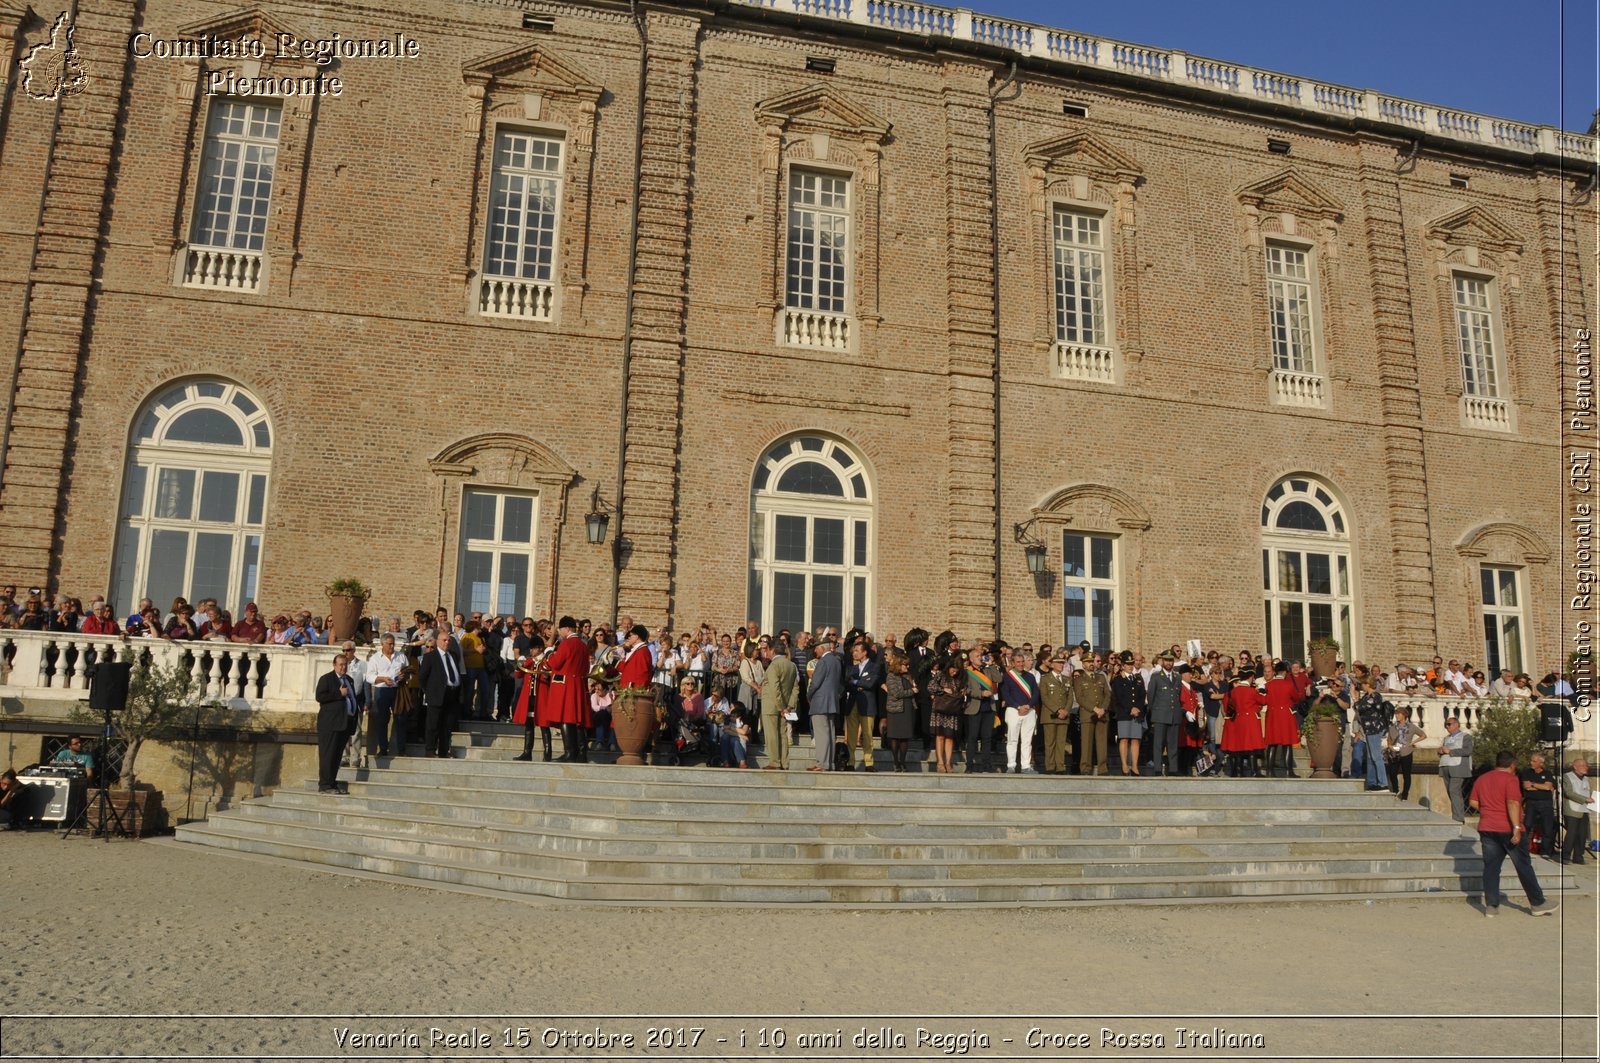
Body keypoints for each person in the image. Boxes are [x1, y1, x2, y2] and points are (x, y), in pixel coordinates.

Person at [1470, 750, 1559, 916]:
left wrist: (1489, 811)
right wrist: (1516, 827)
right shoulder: (1511, 779)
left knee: (1491, 867)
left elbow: (1473, 801)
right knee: (1523, 866)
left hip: (1487, 827)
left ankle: (1491, 906)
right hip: (1508, 828)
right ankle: (1537, 902)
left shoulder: (1482, 778)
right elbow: (1512, 802)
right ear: (1512, 765)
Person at [542, 615, 594, 762]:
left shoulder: (566, 644)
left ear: (566, 628)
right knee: (577, 719)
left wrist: (549, 652)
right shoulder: (583, 645)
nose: (559, 632)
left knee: (566, 718)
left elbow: (556, 663)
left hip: (565, 686)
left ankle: (570, 752)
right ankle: (581, 753)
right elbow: (585, 668)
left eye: (560, 629)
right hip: (578, 683)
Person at [313, 654, 361, 793]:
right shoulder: (327, 679)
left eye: (345, 664)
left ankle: (332, 783)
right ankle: (325, 785)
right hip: (330, 724)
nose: (343, 667)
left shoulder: (349, 680)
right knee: (328, 755)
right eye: (340, 664)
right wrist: (338, 694)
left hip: (344, 724)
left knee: (337, 756)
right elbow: (320, 697)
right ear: (334, 665)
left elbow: (352, 698)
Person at [418, 629, 464, 759]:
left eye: (449, 640)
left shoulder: (453, 656)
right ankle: (430, 750)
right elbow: (422, 677)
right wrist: (429, 691)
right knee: (433, 724)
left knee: (447, 725)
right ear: (438, 642)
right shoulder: (430, 657)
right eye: (444, 640)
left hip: (452, 694)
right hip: (436, 694)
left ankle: (444, 751)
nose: (447, 642)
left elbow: (456, 673)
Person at [364, 633, 406, 758]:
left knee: (400, 719)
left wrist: (405, 676)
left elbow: (408, 671)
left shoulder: (401, 656)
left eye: (393, 643)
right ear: (382, 644)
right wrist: (382, 679)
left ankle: (401, 749)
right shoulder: (375, 658)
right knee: (382, 720)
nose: (392, 646)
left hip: (397, 690)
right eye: (389, 644)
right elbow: (369, 676)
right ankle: (383, 748)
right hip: (382, 690)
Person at [843, 640, 882, 771]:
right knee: (851, 736)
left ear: (864, 652)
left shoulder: (874, 666)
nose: (854, 653)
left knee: (867, 734)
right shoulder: (852, 668)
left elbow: (870, 684)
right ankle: (850, 762)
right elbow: (847, 684)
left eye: (857, 651)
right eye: (853, 651)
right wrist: (859, 684)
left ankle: (868, 763)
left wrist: (855, 682)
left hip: (867, 705)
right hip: (852, 703)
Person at [805, 635, 842, 772]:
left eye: (816, 649)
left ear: (821, 648)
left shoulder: (823, 662)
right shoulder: (837, 661)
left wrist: (808, 695)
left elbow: (815, 683)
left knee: (821, 734)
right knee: (830, 734)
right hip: (832, 701)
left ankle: (822, 763)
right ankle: (829, 763)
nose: (815, 652)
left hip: (820, 701)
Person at [1000, 648, 1040, 774]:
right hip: (1013, 710)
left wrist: (1028, 706)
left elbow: (1036, 694)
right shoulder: (1007, 677)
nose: (1021, 664)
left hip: (1029, 711)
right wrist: (1018, 707)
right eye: (1018, 662)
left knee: (1027, 740)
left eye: (1022, 662)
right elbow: (1006, 695)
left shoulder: (1030, 677)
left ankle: (1025, 766)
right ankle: (1011, 765)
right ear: (1013, 662)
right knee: (1012, 739)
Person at [1072, 653, 1112, 775]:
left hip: (1102, 715)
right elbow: (1080, 698)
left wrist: (1103, 709)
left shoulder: (1101, 677)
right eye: (1088, 662)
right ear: (1083, 664)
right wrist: (1094, 708)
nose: (1091, 664)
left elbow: (1107, 695)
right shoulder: (1079, 679)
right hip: (1088, 714)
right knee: (1086, 743)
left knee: (1102, 744)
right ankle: (1085, 768)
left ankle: (1102, 768)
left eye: (1092, 661)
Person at [1145, 652, 1183, 777]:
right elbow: (1151, 696)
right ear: (1162, 661)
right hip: (1160, 714)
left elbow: (1178, 696)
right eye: (1166, 660)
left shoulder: (1177, 677)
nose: (1169, 663)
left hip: (1174, 715)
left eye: (1171, 660)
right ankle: (1157, 768)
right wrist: (1154, 713)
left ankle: (1173, 768)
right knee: (1158, 744)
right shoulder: (1156, 677)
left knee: (1173, 744)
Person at [963, 645, 1000, 774]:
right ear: (971, 659)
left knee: (987, 737)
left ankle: (987, 765)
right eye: (977, 656)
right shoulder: (967, 672)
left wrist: (991, 665)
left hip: (989, 708)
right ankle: (969, 765)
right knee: (972, 738)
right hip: (974, 707)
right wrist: (980, 694)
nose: (980, 658)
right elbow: (965, 690)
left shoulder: (987, 670)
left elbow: (998, 679)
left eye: (981, 656)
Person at [927, 653, 965, 774]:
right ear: (949, 667)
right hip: (940, 709)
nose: (954, 673)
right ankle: (940, 763)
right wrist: (943, 689)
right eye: (953, 670)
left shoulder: (959, 679)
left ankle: (948, 763)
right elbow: (930, 686)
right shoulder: (940, 675)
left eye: (957, 671)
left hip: (952, 710)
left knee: (950, 737)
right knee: (940, 736)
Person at [1110, 652, 1146, 776]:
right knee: (1124, 739)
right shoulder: (1118, 680)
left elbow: (1142, 696)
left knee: (1136, 739)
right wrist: (1130, 708)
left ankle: (1135, 766)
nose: (1131, 666)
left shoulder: (1138, 678)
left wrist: (1138, 708)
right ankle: (1125, 765)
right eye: (1128, 664)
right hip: (1124, 713)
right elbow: (1118, 698)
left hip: (1137, 714)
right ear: (1123, 665)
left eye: (1132, 664)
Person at [762, 643, 797, 770]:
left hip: (772, 705)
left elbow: (774, 688)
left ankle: (774, 762)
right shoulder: (792, 665)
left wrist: (781, 706)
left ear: (773, 650)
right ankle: (784, 762)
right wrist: (789, 705)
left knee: (771, 734)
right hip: (785, 705)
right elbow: (795, 688)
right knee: (782, 734)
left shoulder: (773, 665)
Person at [1262, 661, 1300, 778]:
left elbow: (1265, 700)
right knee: (1287, 743)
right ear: (1284, 672)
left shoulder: (1269, 685)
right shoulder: (1288, 685)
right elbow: (1296, 698)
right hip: (1285, 716)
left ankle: (1269, 770)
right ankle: (1289, 771)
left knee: (1272, 743)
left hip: (1273, 715)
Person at [883, 648, 917, 772]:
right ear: (898, 664)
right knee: (895, 737)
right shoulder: (891, 676)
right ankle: (896, 762)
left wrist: (913, 687)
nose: (907, 667)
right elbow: (896, 693)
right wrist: (911, 691)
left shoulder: (907, 676)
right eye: (905, 664)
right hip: (895, 709)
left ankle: (903, 762)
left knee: (905, 737)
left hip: (907, 709)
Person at [1519, 751, 1558, 858]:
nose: (1531, 763)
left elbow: (1548, 787)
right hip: (1531, 802)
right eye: (1531, 760)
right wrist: (1541, 787)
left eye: (1534, 761)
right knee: (1527, 825)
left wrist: (1533, 784)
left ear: (1541, 763)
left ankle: (1545, 851)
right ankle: (1523, 847)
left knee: (1547, 827)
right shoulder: (1527, 772)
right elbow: (1526, 787)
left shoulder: (1547, 773)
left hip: (1546, 803)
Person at [1038, 654, 1073, 775]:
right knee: (1050, 742)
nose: (1061, 665)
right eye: (1058, 663)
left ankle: (1060, 766)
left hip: (1063, 715)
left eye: (1063, 663)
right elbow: (1044, 697)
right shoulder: (1045, 678)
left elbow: (1070, 698)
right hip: (1050, 715)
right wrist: (1057, 710)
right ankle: (1050, 766)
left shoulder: (1067, 679)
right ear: (1052, 664)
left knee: (1061, 742)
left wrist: (1066, 710)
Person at [1437, 716, 1474, 825]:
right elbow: (1443, 751)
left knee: (1454, 790)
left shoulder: (1465, 737)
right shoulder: (1446, 738)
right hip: (1445, 766)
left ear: (1457, 725)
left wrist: (1450, 751)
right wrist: (1440, 751)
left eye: (1449, 724)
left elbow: (1468, 750)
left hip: (1458, 766)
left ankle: (1458, 818)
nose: (1447, 726)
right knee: (1451, 792)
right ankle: (1458, 815)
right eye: (1446, 725)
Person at [1383, 706, 1425, 800]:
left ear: (1404, 715)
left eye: (1399, 714)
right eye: (1396, 714)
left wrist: (1413, 743)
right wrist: (1390, 747)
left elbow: (1423, 735)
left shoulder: (1411, 727)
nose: (1397, 716)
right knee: (1392, 772)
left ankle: (1405, 794)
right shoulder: (1392, 728)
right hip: (1395, 753)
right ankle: (1395, 790)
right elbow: (1389, 740)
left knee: (1407, 774)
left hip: (1407, 752)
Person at [1561, 758, 1592, 865]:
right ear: (1575, 766)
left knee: (1582, 834)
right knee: (1572, 833)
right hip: (1572, 809)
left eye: (1586, 765)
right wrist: (1584, 799)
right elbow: (1569, 792)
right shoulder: (1567, 777)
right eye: (1582, 765)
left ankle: (1578, 856)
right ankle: (1565, 855)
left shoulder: (1587, 779)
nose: (1585, 767)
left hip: (1584, 810)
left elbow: (1590, 793)